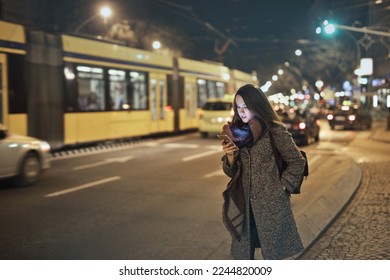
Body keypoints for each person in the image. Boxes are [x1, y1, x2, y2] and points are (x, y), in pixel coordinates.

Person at [220, 83, 306, 260]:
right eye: (238, 107)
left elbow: (297, 161)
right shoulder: (236, 133)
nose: (242, 111)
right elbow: (232, 172)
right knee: (243, 257)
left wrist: (281, 188)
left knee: (273, 256)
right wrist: (230, 157)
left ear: (257, 106)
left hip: (270, 206)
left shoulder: (274, 130)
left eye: (246, 107)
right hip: (245, 205)